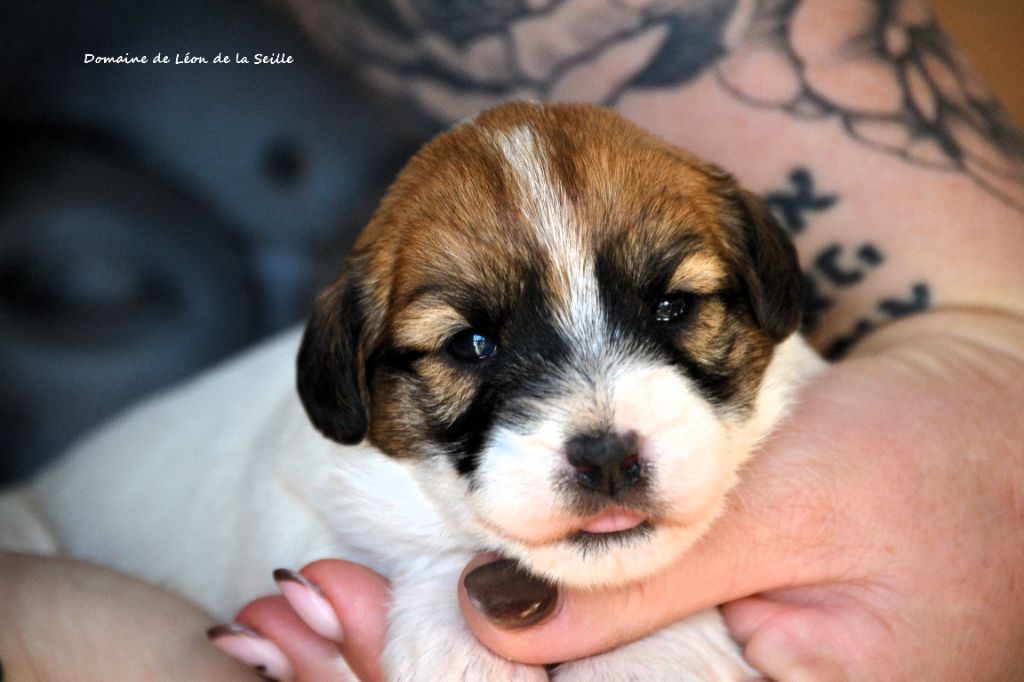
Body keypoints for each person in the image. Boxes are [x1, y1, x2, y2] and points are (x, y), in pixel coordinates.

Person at [3, 1, 1022, 679]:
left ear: (765, 283)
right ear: (350, 378)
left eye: (676, 308)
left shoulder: (797, 381)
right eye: (471, 348)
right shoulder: (352, 461)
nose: (602, 431)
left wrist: (988, 357)